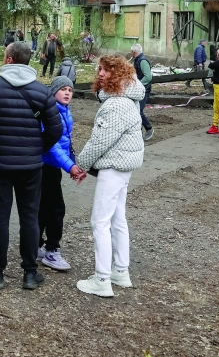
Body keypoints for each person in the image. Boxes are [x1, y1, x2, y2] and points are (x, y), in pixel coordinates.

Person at [0, 42, 63, 292]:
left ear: (9, 60)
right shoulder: (41, 92)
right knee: (30, 217)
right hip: (31, 166)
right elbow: (56, 129)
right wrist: (36, 149)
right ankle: (30, 274)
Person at [74, 55, 146, 298]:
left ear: (119, 75)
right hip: (123, 167)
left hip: (114, 166)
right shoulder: (128, 98)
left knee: (100, 221)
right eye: (100, 69)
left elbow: (99, 141)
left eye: (107, 70)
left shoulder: (116, 103)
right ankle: (121, 271)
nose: (101, 74)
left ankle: (102, 279)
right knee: (117, 219)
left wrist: (80, 165)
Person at [38, 76, 87, 272]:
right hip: (44, 166)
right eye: (63, 89)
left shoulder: (65, 111)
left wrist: (72, 164)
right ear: (53, 91)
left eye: (70, 90)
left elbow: (66, 143)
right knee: (55, 209)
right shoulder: (50, 113)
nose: (67, 93)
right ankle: (51, 250)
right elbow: (53, 146)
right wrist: (70, 167)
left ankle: (35, 245)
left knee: (44, 208)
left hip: (53, 167)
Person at [130, 44, 154, 141]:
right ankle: (138, 133)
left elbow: (148, 77)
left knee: (138, 111)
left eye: (131, 52)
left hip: (144, 90)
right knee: (135, 110)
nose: (130, 53)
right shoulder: (137, 60)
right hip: (139, 90)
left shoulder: (142, 61)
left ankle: (149, 128)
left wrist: (138, 84)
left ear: (134, 52)